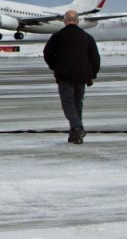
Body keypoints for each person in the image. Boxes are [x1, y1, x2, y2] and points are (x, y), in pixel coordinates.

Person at [43, 10, 100, 144]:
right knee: (77, 104)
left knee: (68, 104)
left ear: (64, 21)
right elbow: (95, 58)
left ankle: (77, 128)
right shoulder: (87, 37)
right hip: (82, 77)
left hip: (65, 76)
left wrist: (54, 66)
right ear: (78, 21)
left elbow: (47, 54)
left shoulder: (58, 36)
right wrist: (92, 74)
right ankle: (75, 135)